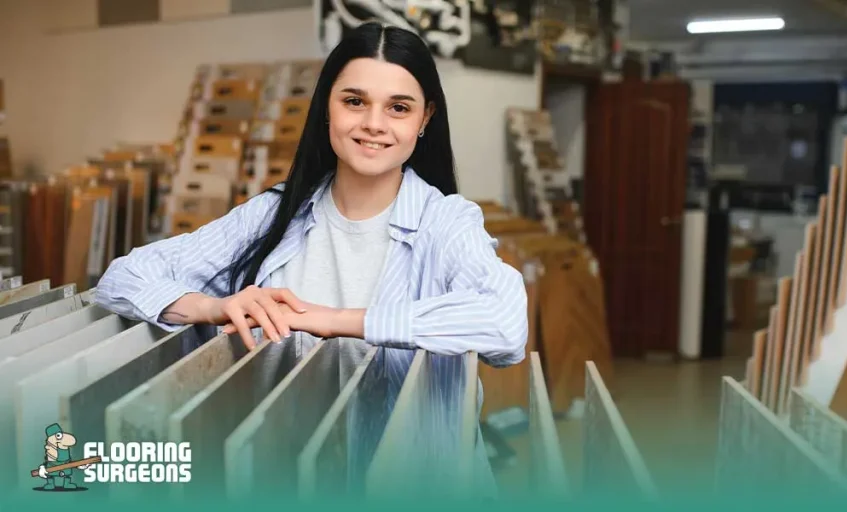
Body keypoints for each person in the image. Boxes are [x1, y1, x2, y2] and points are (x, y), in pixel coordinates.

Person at [94, 21, 528, 493]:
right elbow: (122, 277)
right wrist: (213, 306)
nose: (374, 124)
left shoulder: (447, 222)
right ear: (326, 106)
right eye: (354, 101)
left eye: (398, 107)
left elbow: (505, 326)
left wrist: (336, 320)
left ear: (425, 119)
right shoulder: (274, 213)